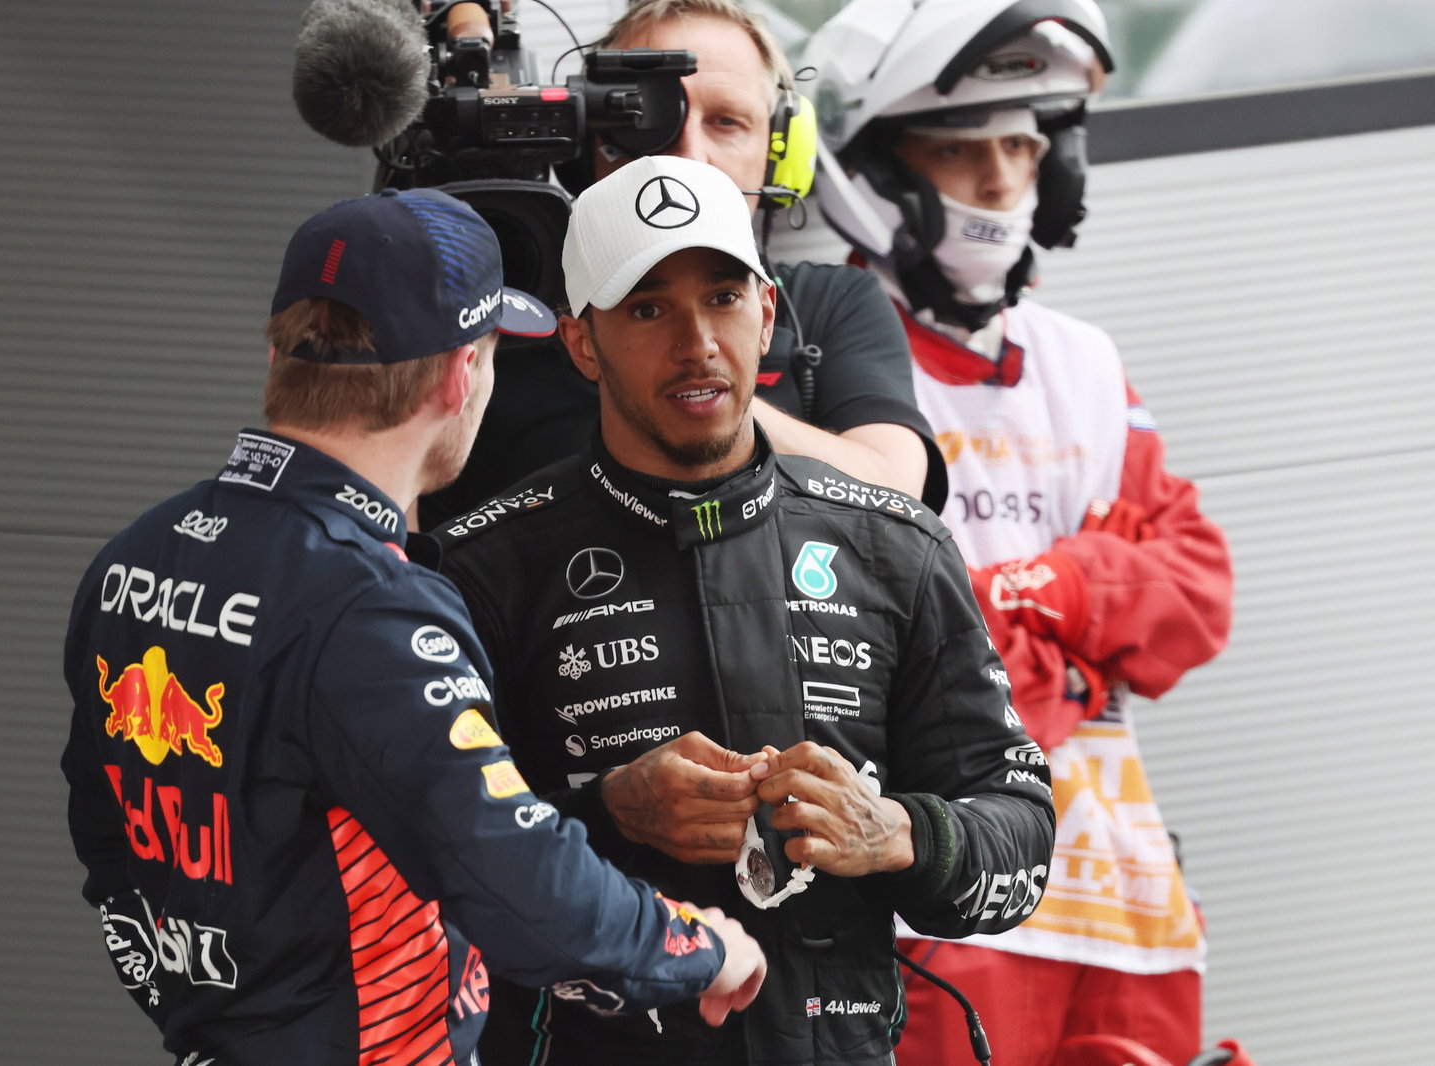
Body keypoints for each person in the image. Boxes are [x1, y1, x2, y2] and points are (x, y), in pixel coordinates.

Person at [60, 187, 767, 1066]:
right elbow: (517, 883)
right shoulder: (369, 603)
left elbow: (107, 835)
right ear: (457, 376)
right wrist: (697, 948)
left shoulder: (139, 555)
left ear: (278, 351)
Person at [436, 154, 1057, 1066]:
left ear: (766, 314)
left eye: (723, 298)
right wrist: (604, 815)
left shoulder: (896, 547)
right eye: (647, 309)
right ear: (581, 344)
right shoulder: (483, 567)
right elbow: (421, 861)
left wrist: (898, 836)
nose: (697, 344)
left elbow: (1024, 835)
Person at [803, 2, 1235, 1063]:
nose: (1001, 182)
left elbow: (1191, 591)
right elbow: (878, 661)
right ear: (881, 170)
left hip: (1116, 902)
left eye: (1022, 146)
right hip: (935, 902)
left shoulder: (1081, 361)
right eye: (959, 150)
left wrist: (1036, 592)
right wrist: (1083, 641)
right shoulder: (829, 366)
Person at [419, 0, 945, 527]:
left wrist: (691, 388)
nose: (688, 155)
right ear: (588, 148)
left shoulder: (832, 301)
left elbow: (895, 492)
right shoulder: (495, 308)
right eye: (645, 118)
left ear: (780, 148)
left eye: (727, 121)